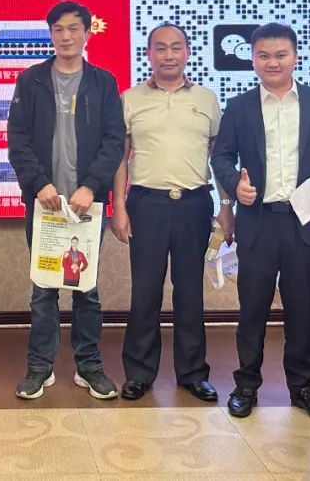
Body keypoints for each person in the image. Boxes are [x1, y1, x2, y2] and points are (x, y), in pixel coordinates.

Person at [211, 22, 310, 425]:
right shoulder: (239, 106)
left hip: (304, 222)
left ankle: (303, 388)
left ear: (295, 57)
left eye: (280, 55)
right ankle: (246, 385)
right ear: (252, 60)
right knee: (252, 309)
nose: (272, 62)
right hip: (257, 223)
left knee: (301, 310)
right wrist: (234, 185)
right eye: (263, 55)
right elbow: (221, 157)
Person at [8, 0, 125, 400]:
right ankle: (39, 368)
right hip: (44, 206)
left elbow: (114, 142)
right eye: (58, 29)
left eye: (73, 28)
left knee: (86, 290)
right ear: (51, 34)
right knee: (43, 289)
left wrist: (91, 186)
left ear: (87, 33)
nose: (66, 36)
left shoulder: (103, 82)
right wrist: (39, 184)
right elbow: (18, 140)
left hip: (87, 206)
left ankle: (88, 366)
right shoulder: (31, 81)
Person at [111, 22, 230, 402]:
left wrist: (226, 207)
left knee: (190, 292)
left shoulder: (207, 99)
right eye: (160, 48)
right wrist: (119, 206)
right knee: (145, 293)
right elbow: (120, 158)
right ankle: (139, 373)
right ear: (148, 54)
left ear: (187, 52)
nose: (168, 55)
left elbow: (220, 158)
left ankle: (193, 373)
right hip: (146, 204)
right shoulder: (130, 99)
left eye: (176, 47)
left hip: (195, 204)